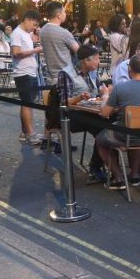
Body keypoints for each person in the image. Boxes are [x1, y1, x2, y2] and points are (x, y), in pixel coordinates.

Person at [97, 53, 140, 189]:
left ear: (129, 69)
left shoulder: (120, 88)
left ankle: (118, 176)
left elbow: (104, 113)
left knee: (100, 139)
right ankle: (135, 175)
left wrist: (105, 95)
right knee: (136, 129)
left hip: (124, 136)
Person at [57, 44, 107, 184]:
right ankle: (96, 167)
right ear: (86, 60)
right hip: (71, 116)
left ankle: (103, 164)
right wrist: (79, 97)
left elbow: (98, 91)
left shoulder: (92, 72)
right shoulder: (66, 74)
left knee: (111, 122)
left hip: (90, 112)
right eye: (96, 59)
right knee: (103, 129)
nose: (98, 62)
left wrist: (104, 93)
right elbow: (64, 102)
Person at [10, 9, 44, 145]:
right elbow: (16, 52)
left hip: (30, 71)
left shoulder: (25, 33)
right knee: (27, 103)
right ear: (27, 19)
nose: (34, 27)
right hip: (23, 73)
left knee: (27, 102)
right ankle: (30, 133)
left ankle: (25, 132)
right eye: (34, 24)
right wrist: (35, 50)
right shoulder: (17, 33)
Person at [40, 1, 80, 86]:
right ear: (58, 15)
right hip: (65, 76)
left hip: (50, 77)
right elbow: (79, 51)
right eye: (64, 12)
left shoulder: (42, 30)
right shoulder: (64, 32)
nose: (65, 14)